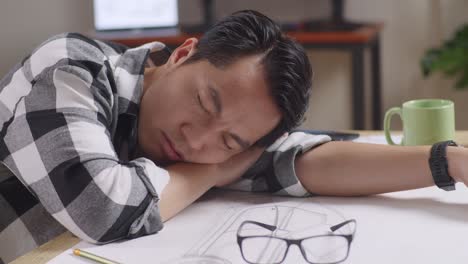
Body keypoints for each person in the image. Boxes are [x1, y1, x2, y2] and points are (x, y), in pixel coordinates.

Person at [0, 9, 466, 263]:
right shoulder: (71, 67)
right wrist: (217, 168)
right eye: (205, 102)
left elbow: (307, 161)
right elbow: (105, 209)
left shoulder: (215, 140)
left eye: (230, 142)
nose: (198, 142)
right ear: (184, 53)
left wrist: (452, 161)